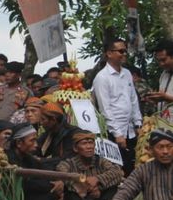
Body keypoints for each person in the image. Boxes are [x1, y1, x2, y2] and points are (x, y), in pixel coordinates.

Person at [5, 123, 81, 200]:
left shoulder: (29, 159)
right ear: (19, 143)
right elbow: (23, 184)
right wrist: (50, 185)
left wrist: (58, 182)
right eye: (32, 141)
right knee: (36, 191)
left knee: (56, 188)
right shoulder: (8, 157)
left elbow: (45, 172)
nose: (36, 145)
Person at [101, 130, 173, 200]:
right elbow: (125, 192)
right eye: (160, 147)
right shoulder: (143, 170)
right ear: (151, 150)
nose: (165, 151)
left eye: (169, 147)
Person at [92, 38, 143, 175]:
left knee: (134, 166)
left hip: (130, 129)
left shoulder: (126, 73)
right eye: (121, 51)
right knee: (118, 170)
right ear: (109, 53)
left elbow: (133, 100)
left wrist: (138, 124)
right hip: (114, 132)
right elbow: (105, 109)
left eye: (125, 51)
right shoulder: (102, 78)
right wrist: (118, 134)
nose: (124, 54)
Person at [56, 132, 123, 200]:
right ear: (75, 148)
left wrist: (98, 181)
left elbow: (117, 172)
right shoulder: (68, 163)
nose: (89, 147)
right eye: (84, 143)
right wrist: (85, 186)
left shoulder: (101, 161)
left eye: (91, 143)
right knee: (69, 192)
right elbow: (62, 174)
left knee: (113, 187)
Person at [35, 102, 81, 168]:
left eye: (43, 119)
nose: (41, 123)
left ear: (53, 120)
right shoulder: (49, 133)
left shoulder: (73, 134)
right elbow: (37, 148)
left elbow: (67, 158)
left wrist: (42, 161)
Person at [146, 40, 173, 119]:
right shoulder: (164, 74)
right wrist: (156, 100)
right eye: (159, 60)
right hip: (166, 125)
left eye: (164, 60)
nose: (161, 64)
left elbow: (167, 97)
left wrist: (166, 98)